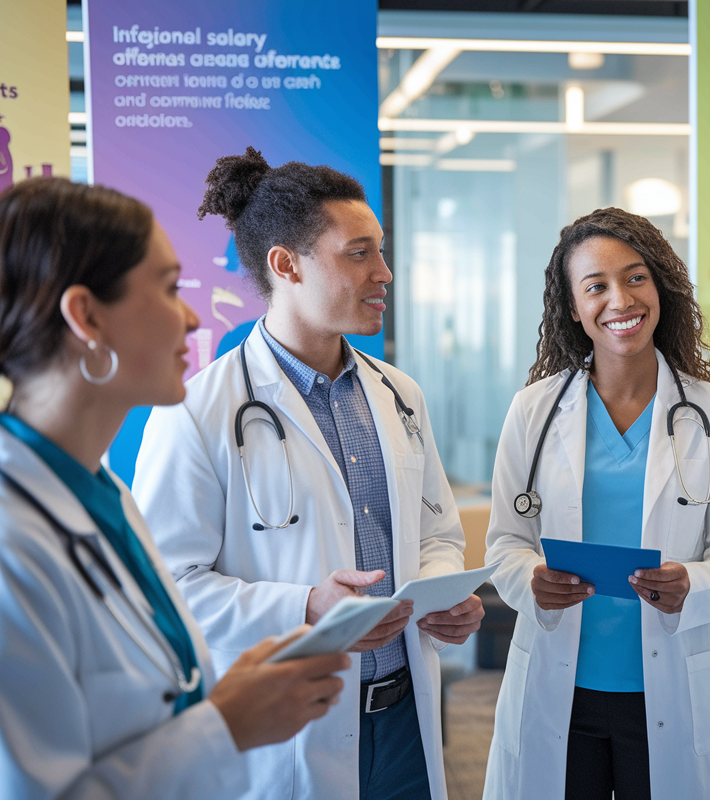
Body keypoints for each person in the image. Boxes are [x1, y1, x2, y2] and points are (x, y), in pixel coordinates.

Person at [0, 178, 352, 798]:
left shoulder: (99, 497)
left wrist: (219, 707)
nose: (194, 315)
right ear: (87, 317)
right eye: (170, 288)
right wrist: (223, 727)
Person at [133, 148, 479, 800]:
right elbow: (169, 591)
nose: (385, 273)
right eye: (359, 254)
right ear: (286, 264)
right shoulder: (197, 411)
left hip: (407, 717)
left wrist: (438, 596)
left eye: (381, 251)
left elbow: (437, 533)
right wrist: (305, 606)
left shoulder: (399, 394)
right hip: (293, 729)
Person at [483, 208, 710, 800]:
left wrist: (695, 581)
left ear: (660, 287)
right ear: (575, 308)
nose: (620, 299)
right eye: (596, 287)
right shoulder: (532, 412)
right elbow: (505, 542)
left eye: (635, 278)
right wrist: (530, 579)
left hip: (672, 687)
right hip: (562, 689)